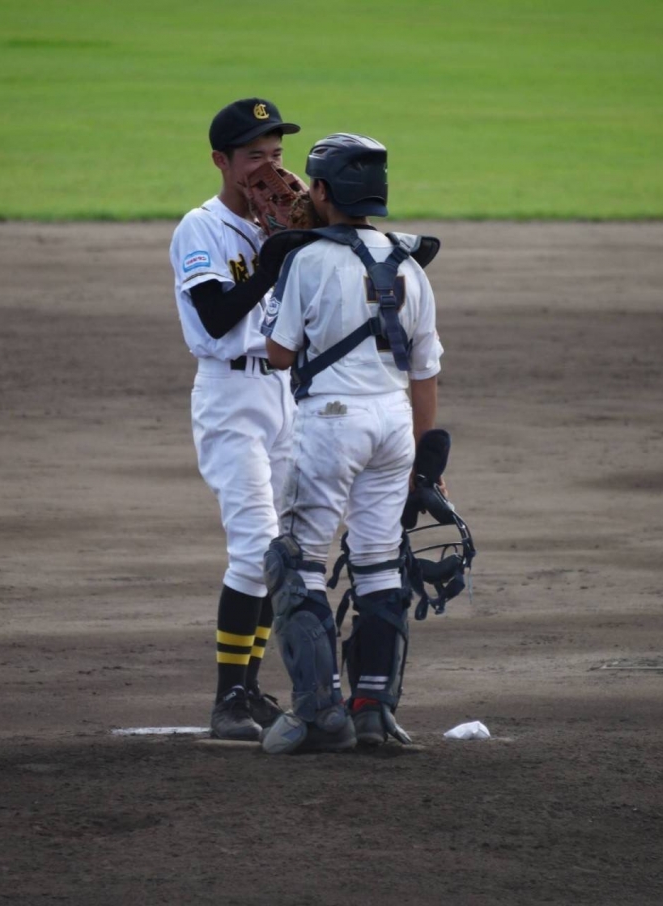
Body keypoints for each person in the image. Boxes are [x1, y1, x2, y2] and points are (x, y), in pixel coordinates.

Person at [258, 133, 444, 754]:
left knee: (298, 562)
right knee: (379, 560)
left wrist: (277, 275)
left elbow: (279, 354)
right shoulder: (411, 264)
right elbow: (425, 372)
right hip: (394, 425)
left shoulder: (306, 260)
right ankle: (373, 711)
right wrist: (424, 459)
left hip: (332, 423)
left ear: (321, 190)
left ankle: (319, 714)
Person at [169, 98, 301, 740]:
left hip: (286, 395)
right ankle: (227, 702)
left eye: (276, 155)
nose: (269, 170)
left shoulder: (287, 226)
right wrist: (275, 260)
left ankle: (249, 690)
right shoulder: (201, 228)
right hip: (230, 397)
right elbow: (218, 317)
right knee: (253, 549)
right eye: (254, 156)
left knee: (279, 551)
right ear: (221, 161)